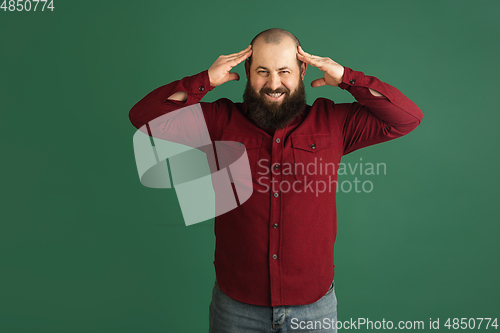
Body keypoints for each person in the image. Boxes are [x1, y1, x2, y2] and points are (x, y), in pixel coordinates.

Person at [129, 28, 423, 332]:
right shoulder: (219, 122)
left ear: (302, 70)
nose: (273, 84)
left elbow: (406, 118)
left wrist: (349, 78)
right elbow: (144, 118)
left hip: (314, 309)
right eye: (262, 72)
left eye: (284, 71)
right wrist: (205, 80)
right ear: (246, 70)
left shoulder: (334, 123)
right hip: (235, 308)